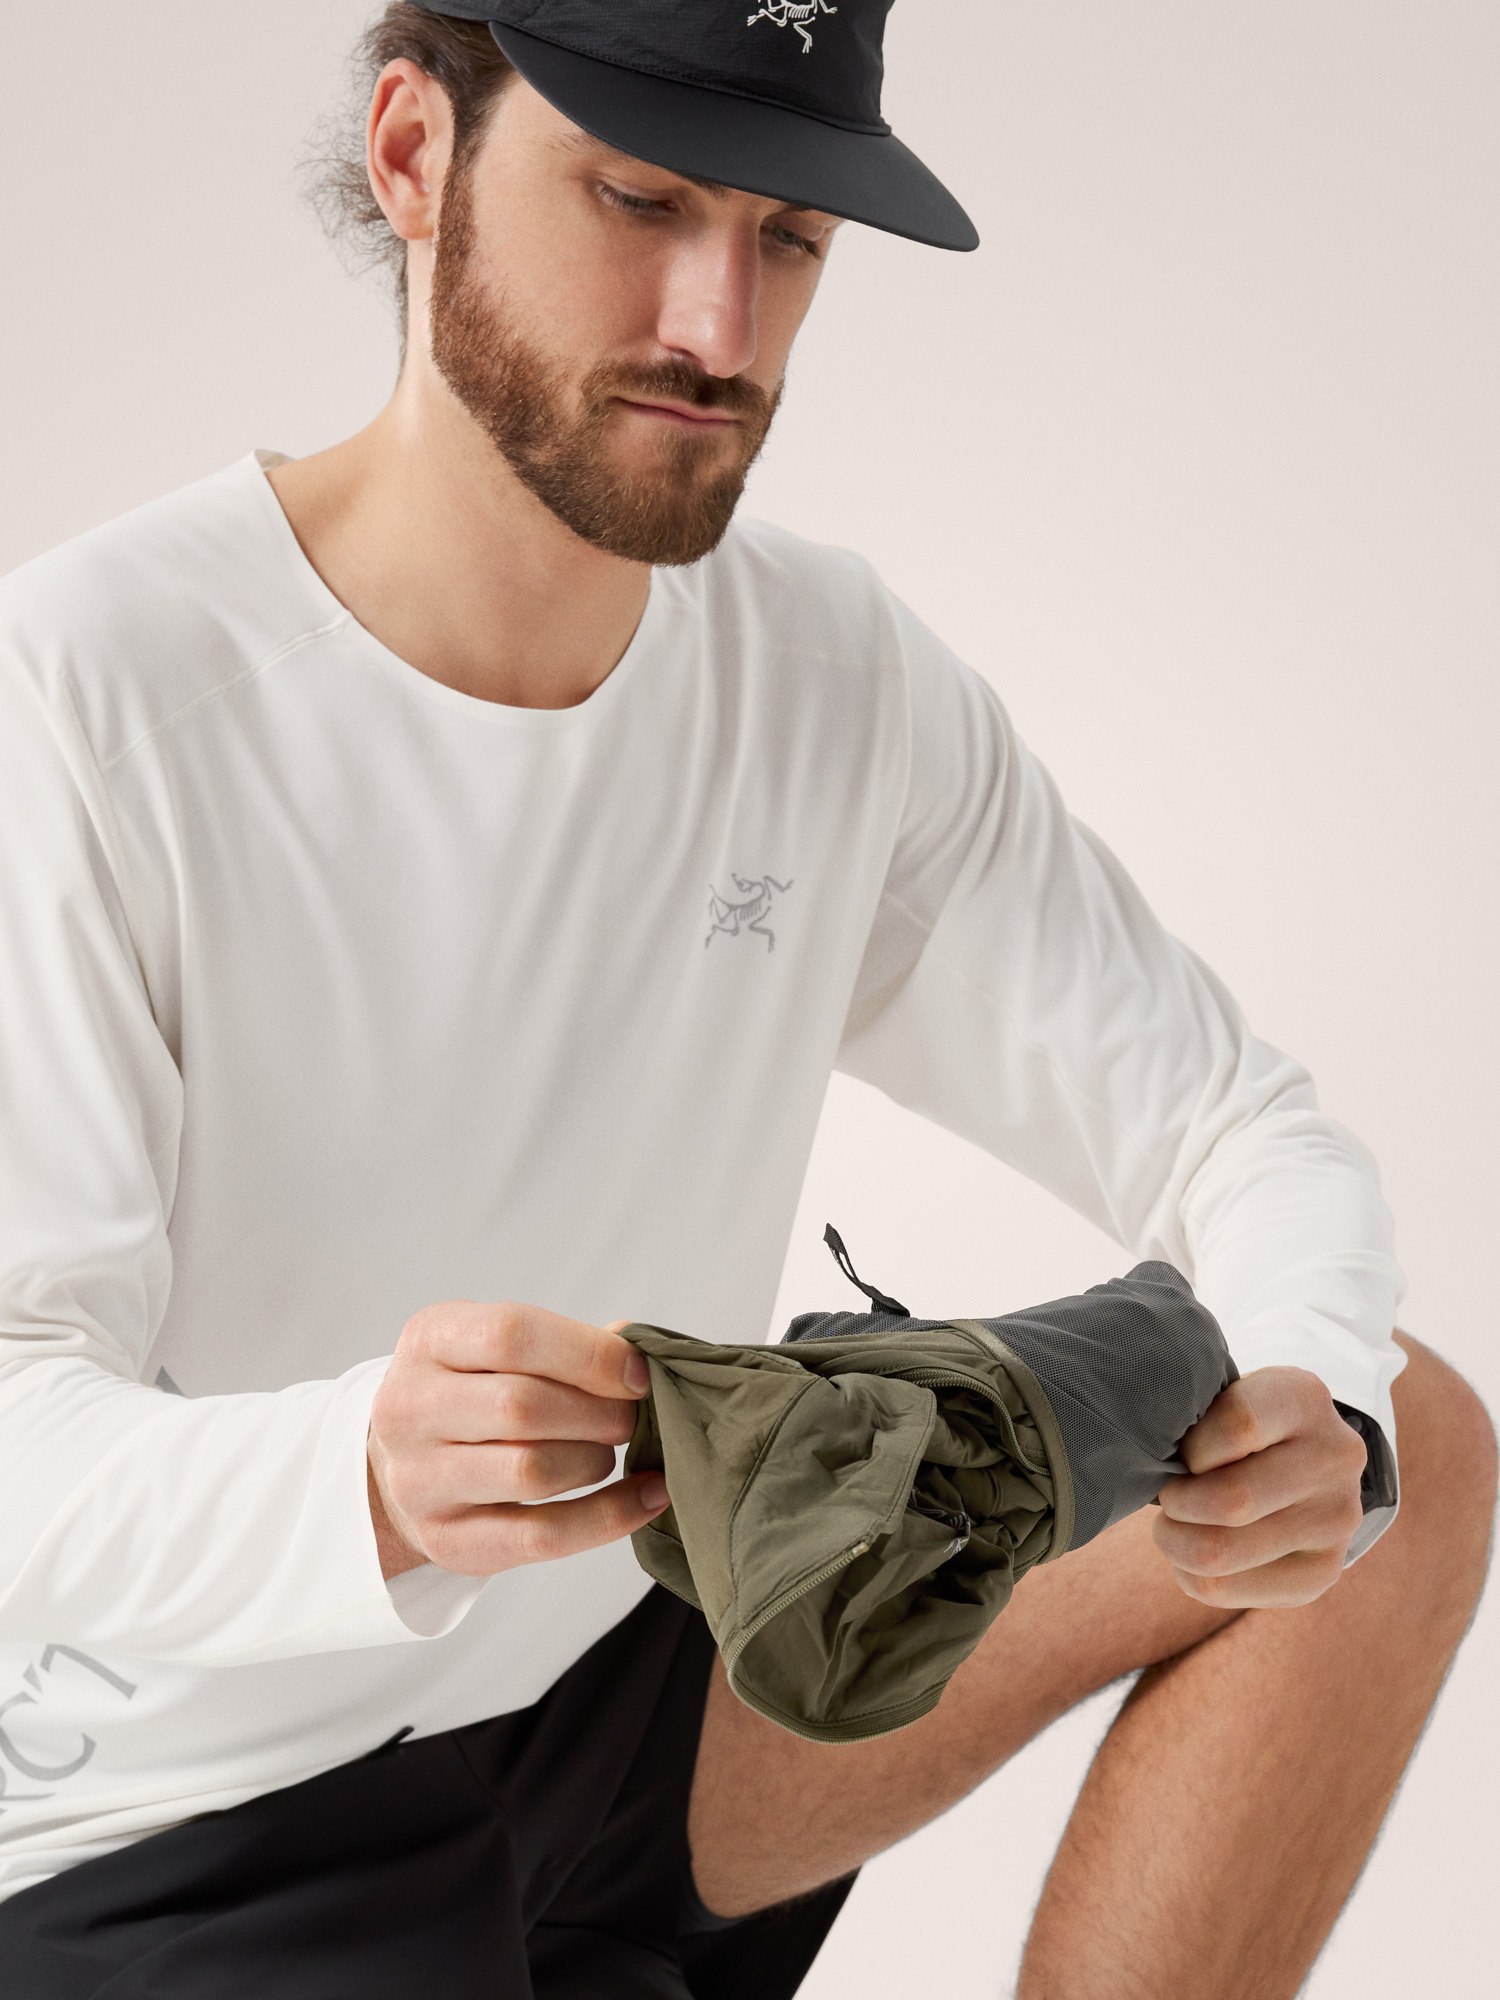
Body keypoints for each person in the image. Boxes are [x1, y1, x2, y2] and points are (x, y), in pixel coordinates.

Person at [0, 3, 1491, 1995]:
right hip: (180, 1824)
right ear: (415, 157)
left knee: (1400, 1441)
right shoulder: (86, 696)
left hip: (637, 1690)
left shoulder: (827, 673)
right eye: (639, 200)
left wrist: (1314, 1402)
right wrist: (359, 1472)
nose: (721, 327)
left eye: (789, 238)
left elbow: (1237, 1127)